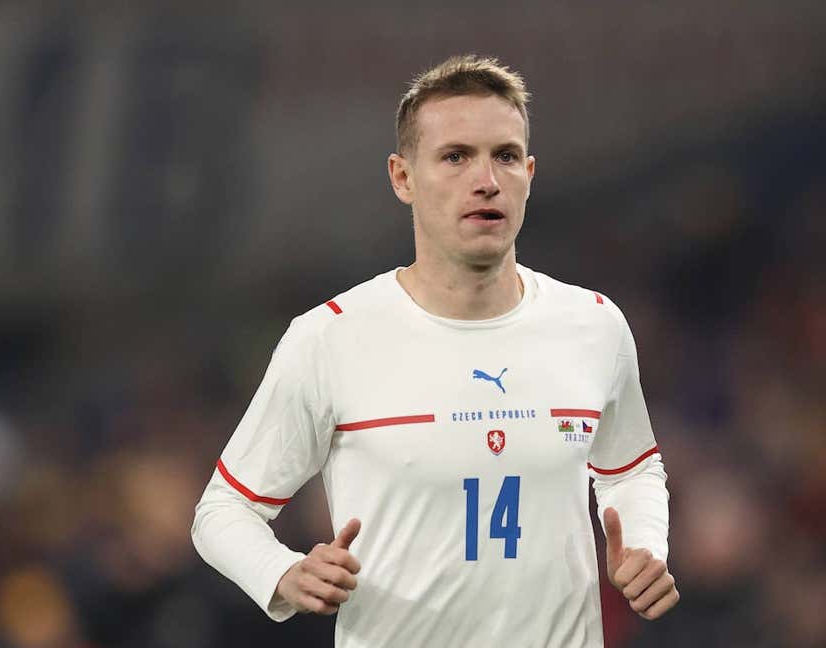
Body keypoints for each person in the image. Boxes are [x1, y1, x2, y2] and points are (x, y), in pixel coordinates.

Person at [191, 55, 678, 647]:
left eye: (504, 156)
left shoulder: (594, 324)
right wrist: (285, 575)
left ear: (528, 172)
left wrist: (647, 545)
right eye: (455, 156)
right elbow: (223, 512)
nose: (486, 180)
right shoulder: (331, 337)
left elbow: (633, 470)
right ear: (403, 178)